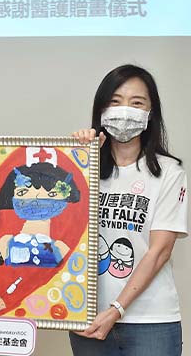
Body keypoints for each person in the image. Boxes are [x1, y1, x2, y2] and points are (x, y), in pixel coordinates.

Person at [70, 64, 188, 355]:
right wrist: (75, 159)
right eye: (115, 101)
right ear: (101, 109)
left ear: (150, 113)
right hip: (86, 316)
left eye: (136, 103)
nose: (124, 111)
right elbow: (58, 229)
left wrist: (116, 309)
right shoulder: (83, 167)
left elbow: (159, 251)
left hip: (151, 322)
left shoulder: (169, 173)